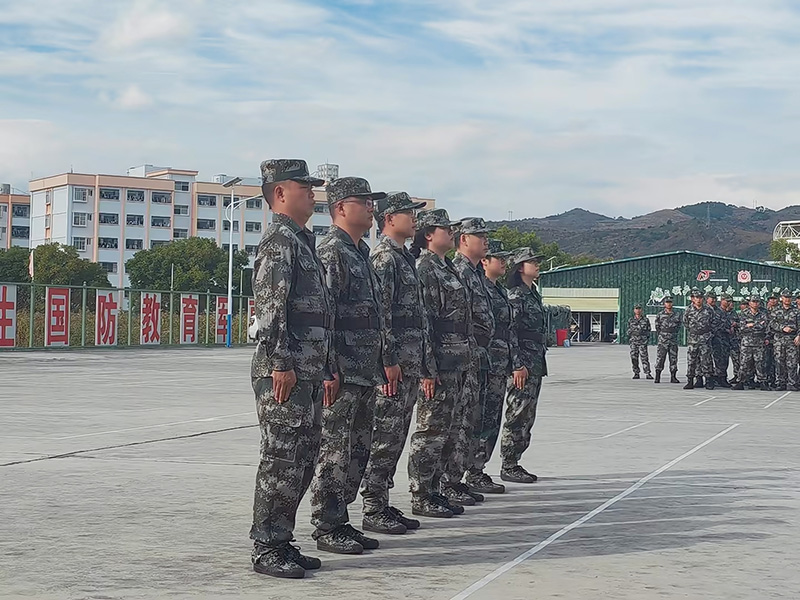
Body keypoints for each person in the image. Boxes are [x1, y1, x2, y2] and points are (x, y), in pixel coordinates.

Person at [249, 159, 337, 579]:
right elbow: (271, 308)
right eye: (304, 187)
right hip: (284, 371)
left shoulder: (303, 241)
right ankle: (266, 547)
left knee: (303, 457)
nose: (313, 194)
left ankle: (282, 538)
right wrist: (281, 362)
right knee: (282, 457)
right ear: (280, 193)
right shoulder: (279, 241)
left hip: (308, 371)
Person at [310, 176, 386, 555]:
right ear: (341, 207)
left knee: (358, 449)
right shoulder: (332, 252)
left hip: (364, 369)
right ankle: (327, 525)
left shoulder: (360, 253)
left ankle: (341, 519)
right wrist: (329, 368)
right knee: (334, 450)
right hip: (343, 370)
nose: (371, 207)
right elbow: (326, 315)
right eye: (364, 201)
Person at [360, 192, 432, 535]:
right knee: (384, 437)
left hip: (408, 363)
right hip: (394, 367)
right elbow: (381, 314)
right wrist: (387, 360)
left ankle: (383, 501)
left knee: (396, 435)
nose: (414, 219)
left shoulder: (403, 258)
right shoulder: (385, 259)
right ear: (389, 218)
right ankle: (373, 506)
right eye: (408, 213)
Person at [408, 208, 471, 518]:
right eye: (445, 229)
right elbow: (426, 323)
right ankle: (421, 493)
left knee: (446, 431)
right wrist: (427, 370)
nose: (452, 233)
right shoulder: (426, 269)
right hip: (439, 365)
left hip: (456, 361)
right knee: (430, 432)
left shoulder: (447, 268)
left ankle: (436, 489)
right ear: (429, 234)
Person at [443, 217, 496, 507]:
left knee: (468, 421)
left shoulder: (474, 272)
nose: (485, 240)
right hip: (460, 356)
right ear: (464, 240)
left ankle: (454, 479)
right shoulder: (460, 270)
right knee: (456, 422)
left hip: (474, 357)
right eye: (480, 235)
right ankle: (446, 481)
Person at [467, 239, 522, 495]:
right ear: (486, 262)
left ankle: (479, 468)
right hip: (483, 363)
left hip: (498, 364)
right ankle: (471, 471)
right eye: (499, 257)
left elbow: (508, 330)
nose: (504, 262)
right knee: (476, 419)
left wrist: (514, 362)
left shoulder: (497, 290)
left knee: (491, 419)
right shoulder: (480, 287)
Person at [500, 248, 547, 484]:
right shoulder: (516, 295)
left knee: (528, 415)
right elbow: (511, 332)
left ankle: (515, 460)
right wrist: (517, 364)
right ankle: (508, 463)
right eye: (531, 262)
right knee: (517, 413)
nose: (536, 265)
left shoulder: (532, 293)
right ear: (520, 268)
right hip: (523, 364)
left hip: (535, 362)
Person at [733, 295, 769, 390]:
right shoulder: (743, 314)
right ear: (749, 303)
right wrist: (757, 325)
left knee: (760, 363)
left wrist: (751, 325)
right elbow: (741, 328)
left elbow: (765, 327)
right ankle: (741, 382)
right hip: (746, 343)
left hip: (759, 342)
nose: (755, 303)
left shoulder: (763, 314)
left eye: (757, 301)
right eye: (753, 301)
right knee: (744, 363)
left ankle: (762, 382)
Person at [683, 288, 715, 390]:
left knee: (706, 360)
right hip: (693, 339)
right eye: (696, 297)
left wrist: (707, 333)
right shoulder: (688, 310)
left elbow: (714, 322)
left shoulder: (708, 309)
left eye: (701, 297)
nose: (699, 300)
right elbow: (686, 323)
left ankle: (709, 381)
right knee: (692, 360)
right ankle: (691, 381)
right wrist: (694, 331)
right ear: (692, 298)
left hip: (705, 338)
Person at [769, 288, 800, 392]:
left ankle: (792, 383)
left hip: (792, 340)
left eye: (789, 297)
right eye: (786, 297)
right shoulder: (776, 310)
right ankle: (780, 383)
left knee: (792, 362)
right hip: (779, 340)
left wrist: (798, 335)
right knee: (779, 362)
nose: (787, 299)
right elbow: (772, 324)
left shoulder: (796, 311)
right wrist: (782, 328)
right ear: (781, 298)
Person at [706, 291, 731, 388]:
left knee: (721, 359)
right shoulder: (704, 310)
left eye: (715, 298)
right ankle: (706, 378)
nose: (714, 300)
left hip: (720, 338)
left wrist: (727, 329)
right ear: (706, 298)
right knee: (705, 359)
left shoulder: (719, 311)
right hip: (707, 338)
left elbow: (724, 324)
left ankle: (721, 378)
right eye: (711, 298)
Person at [654, 295, 680, 384]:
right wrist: (663, 335)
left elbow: (678, 326)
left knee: (673, 359)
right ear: (664, 304)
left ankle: (673, 376)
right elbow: (657, 327)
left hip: (673, 339)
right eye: (667, 302)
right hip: (663, 340)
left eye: (670, 302)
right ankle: (657, 376)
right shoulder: (660, 315)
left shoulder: (677, 315)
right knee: (660, 358)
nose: (669, 304)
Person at [627, 303, 652, 380]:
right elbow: (628, 331)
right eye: (636, 309)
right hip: (634, 342)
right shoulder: (631, 320)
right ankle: (636, 373)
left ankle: (647, 373)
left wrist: (645, 338)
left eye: (639, 309)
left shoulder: (645, 320)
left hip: (642, 342)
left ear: (641, 310)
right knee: (634, 358)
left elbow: (648, 330)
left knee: (644, 358)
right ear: (634, 310)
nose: (638, 310)